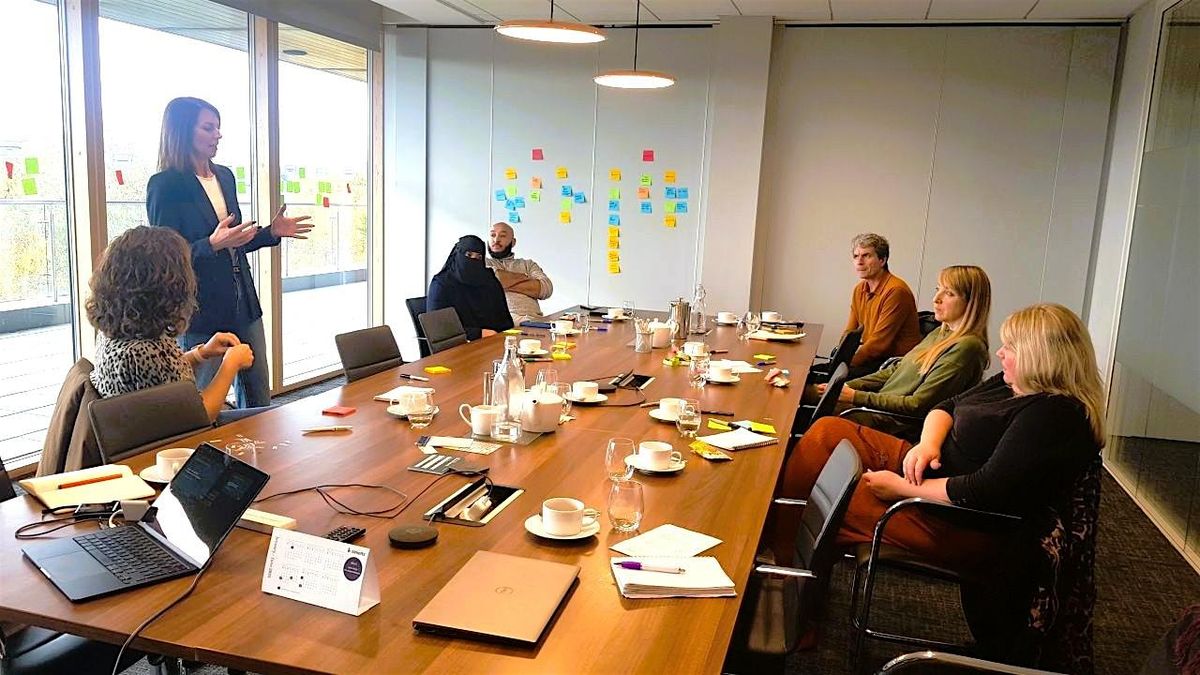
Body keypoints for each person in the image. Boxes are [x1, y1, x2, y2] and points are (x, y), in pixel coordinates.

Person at [771, 303, 1106, 581]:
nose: (1000, 353)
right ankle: (779, 552)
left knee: (831, 496)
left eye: (1011, 348)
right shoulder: (1012, 384)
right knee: (828, 431)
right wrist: (928, 445)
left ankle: (787, 585)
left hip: (955, 523)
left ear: (1040, 357)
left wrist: (902, 489)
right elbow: (947, 406)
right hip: (929, 466)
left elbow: (983, 490)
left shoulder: (1052, 415)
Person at [146, 96, 312, 409]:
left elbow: (233, 241)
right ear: (183, 130)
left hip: (242, 302)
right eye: (208, 128)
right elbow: (165, 258)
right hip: (200, 310)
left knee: (258, 395)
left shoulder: (225, 176)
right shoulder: (165, 185)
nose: (217, 135)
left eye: (218, 128)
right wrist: (210, 244)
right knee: (203, 404)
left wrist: (270, 233)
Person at [86, 226, 263, 424]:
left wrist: (201, 354)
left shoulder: (116, 336)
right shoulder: (145, 352)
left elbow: (163, 376)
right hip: (180, 437)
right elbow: (200, 414)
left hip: (149, 431)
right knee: (270, 420)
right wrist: (230, 364)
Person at [823, 265, 992, 438]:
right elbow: (897, 369)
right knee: (814, 395)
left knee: (820, 418)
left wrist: (855, 396)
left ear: (971, 302)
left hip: (893, 424)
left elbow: (917, 405)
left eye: (949, 293)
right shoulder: (941, 332)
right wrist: (847, 386)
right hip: (878, 408)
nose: (936, 299)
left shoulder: (967, 347)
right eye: (938, 289)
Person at [838, 233, 922, 378]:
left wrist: (843, 364)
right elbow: (849, 333)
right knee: (813, 373)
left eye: (866, 256)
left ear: (882, 260)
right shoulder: (859, 289)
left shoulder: (896, 291)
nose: (859, 262)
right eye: (856, 256)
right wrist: (839, 357)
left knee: (818, 381)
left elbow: (878, 345)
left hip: (893, 366)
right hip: (872, 360)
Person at [427, 235, 514, 340]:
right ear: (457, 254)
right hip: (458, 345)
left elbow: (505, 320)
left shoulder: (489, 281)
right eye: (468, 255)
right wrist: (477, 333)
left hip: (494, 342)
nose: (473, 260)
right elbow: (438, 328)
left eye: (478, 257)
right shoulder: (442, 283)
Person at [484, 222, 554, 325]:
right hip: (507, 321)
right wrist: (525, 277)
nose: (496, 239)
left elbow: (546, 288)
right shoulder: (483, 263)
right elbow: (495, 278)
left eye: (502, 236)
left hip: (535, 319)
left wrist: (503, 284)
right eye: (492, 235)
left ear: (513, 242)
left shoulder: (528, 264)